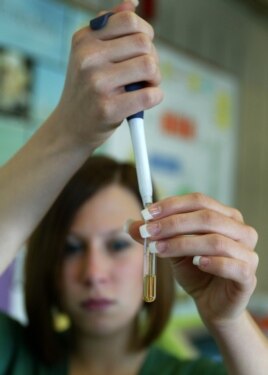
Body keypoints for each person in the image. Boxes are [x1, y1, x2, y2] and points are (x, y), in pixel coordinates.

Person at [0, 1, 268, 375]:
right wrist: (69, 131)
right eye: (72, 248)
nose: (94, 273)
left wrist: (229, 321)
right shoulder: (12, 356)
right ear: (47, 260)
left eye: (117, 244)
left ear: (154, 254)